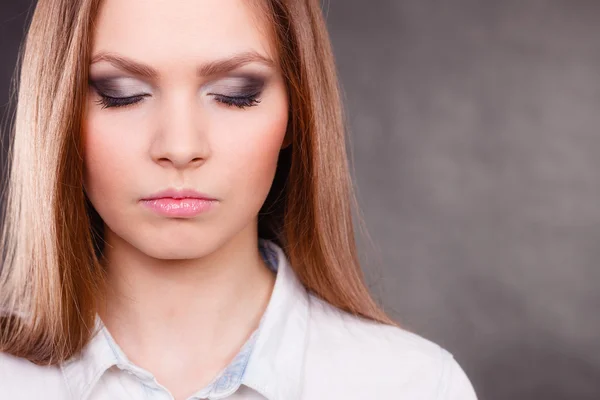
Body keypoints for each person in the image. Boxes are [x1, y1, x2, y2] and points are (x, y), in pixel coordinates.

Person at [0, 0, 478, 399]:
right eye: (122, 93)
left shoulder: (414, 385)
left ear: (297, 112)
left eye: (235, 93)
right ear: (57, 112)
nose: (180, 146)